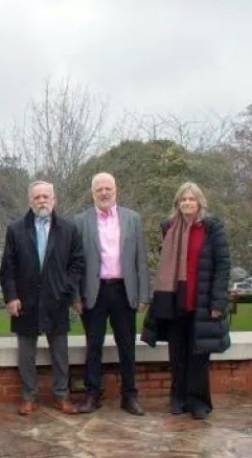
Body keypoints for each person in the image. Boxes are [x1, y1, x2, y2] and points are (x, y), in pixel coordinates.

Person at [141, 182, 231, 420]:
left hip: (201, 302)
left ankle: (198, 401)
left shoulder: (212, 228)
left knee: (199, 354)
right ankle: (178, 398)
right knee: (177, 353)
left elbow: (223, 266)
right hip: (174, 300)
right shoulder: (169, 227)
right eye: (183, 199)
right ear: (177, 204)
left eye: (191, 199)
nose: (187, 203)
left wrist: (217, 302)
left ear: (200, 202)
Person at [0, 181, 84, 416]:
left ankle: (62, 396)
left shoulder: (68, 228)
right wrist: (11, 297)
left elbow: (77, 264)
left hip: (57, 300)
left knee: (60, 352)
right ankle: (28, 397)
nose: (42, 201)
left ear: (54, 200)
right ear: (30, 201)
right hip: (25, 301)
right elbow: (8, 268)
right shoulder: (16, 229)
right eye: (37, 197)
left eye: (46, 196)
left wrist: (65, 288)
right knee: (26, 354)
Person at [73, 173, 149, 416]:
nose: (104, 193)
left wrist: (144, 294)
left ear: (116, 190)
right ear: (92, 192)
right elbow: (73, 264)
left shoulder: (133, 219)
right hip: (93, 292)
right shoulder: (80, 221)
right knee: (93, 345)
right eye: (99, 190)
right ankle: (92, 395)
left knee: (127, 346)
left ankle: (129, 396)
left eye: (108, 189)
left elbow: (141, 260)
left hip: (124, 290)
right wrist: (74, 296)